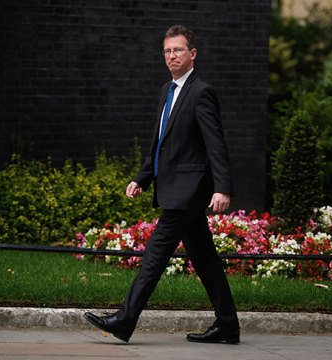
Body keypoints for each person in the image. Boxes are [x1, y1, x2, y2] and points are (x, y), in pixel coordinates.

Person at [84, 25, 240, 344]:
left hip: (188, 191)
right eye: (167, 51)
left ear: (192, 54)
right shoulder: (167, 91)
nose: (172, 56)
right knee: (205, 260)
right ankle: (228, 324)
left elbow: (216, 144)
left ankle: (125, 320)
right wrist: (142, 178)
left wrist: (222, 187)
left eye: (178, 50)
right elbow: (159, 143)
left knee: (154, 256)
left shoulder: (201, 92)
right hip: (174, 188)